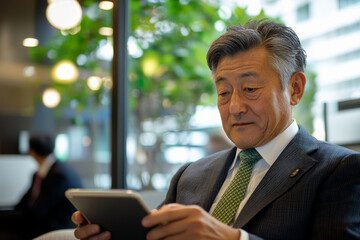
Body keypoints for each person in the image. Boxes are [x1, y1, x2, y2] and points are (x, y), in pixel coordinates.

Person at [72, 19, 360, 239]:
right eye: (223, 93)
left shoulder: (339, 170)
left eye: (250, 89)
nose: (234, 106)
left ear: (295, 89)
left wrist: (233, 238)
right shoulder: (190, 176)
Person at [0, 133, 83, 239]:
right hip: (39, 223)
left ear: (32, 152)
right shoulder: (39, 174)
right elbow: (23, 204)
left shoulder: (58, 175)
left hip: (53, 230)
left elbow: (37, 214)